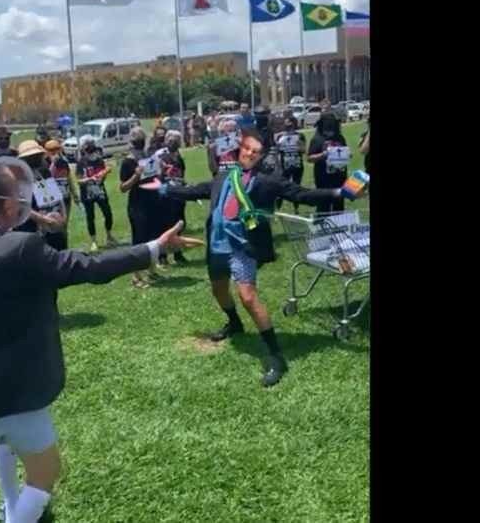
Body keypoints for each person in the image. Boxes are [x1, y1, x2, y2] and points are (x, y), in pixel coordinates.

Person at [0, 159, 202, 523]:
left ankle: (10, 504)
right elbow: (89, 266)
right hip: (15, 387)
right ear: (10, 206)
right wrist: (153, 248)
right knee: (45, 473)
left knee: (1, 440)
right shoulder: (20, 248)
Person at [142, 128, 358, 386]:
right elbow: (197, 190)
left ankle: (276, 355)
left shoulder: (268, 181)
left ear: (261, 155)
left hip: (242, 247)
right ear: (240, 148)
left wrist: (339, 193)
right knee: (219, 289)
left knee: (247, 296)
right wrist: (164, 189)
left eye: (256, 151)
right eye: (247, 149)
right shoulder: (224, 177)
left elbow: (302, 194)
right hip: (217, 245)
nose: (250, 154)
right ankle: (234, 324)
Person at [119, 127, 162, 288]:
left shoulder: (148, 157)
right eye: (137, 139)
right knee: (139, 240)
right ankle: (136, 276)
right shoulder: (128, 161)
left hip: (152, 200)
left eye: (141, 138)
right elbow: (123, 188)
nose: (140, 142)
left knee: (153, 238)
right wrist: (136, 175)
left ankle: (151, 270)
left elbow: (154, 178)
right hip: (137, 204)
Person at [14, 140, 70, 251]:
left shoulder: (45, 172)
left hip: (53, 223)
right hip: (33, 228)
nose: (35, 158)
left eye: (37, 155)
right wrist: (44, 220)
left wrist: (64, 217)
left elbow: (57, 197)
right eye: (31, 157)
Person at [75, 135, 117, 252]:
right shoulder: (81, 162)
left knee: (107, 213)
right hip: (87, 193)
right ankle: (94, 241)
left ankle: (109, 236)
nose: (91, 148)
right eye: (88, 145)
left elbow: (103, 173)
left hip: (99, 191)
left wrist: (102, 177)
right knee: (90, 217)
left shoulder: (99, 160)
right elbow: (78, 180)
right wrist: (89, 179)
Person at [307, 113, 349, 214]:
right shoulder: (317, 139)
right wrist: (323, 154)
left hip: (339, 177)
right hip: (323, 179)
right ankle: (321, 227)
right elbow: (309, 158)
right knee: (323, 205)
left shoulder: (340, 138)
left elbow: (344, 153)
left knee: (339, 205)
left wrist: (347, 154)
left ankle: (338, 228)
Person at [157, 129, 189, 265]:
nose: (174, 143)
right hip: (166, 193)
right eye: (171, 140)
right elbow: (156, 174)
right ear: (166, 140)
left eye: (176, 140)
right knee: (166, 224)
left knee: (180, 223)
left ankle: (177, 253)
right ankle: (162, 255)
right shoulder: (160, 155)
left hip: (179, 192)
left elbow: (181, 173)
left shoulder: (178, 155)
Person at [273, 116, 307, 213]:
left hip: (297, 165)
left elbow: (304, 150)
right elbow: (276, 151)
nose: (286, 125)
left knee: (296, 186)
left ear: (293, 124)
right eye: (285, 123)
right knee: (281, 186)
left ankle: (296, 209)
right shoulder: (280, 136)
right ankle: (278, 209)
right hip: (284, 165)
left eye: (288, 123)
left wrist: (299, 145)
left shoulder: (300, 135)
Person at [43, 139, 79, 223]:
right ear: (46, 152)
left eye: (57, 149)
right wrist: (53, 164)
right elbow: (46, 180)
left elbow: (69, 178)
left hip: (65, 197)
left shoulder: (64, 162)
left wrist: (75, 194)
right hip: (53, 200)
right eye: (51, 150)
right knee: (55, 223)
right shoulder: (45, 164)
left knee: (65, 222)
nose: (55, 152)